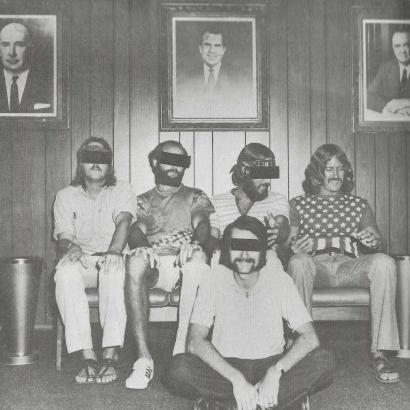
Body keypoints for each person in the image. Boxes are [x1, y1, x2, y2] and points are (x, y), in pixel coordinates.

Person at [166, 216, 335, 410]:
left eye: (252, 246)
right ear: (228, 250)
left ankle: (225, 403)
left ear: (263, 250)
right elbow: (195, 341)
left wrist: (275, 372)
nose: (244, 254)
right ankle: (273, 400)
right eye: (237, 245)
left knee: (325, 360)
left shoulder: (279, 280)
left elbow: (310, 337)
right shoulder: (213, 279)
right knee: (178, 368)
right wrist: (237, 380)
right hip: (226, 369)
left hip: (271, 363)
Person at [287, 143, 400, 384]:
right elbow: (289, 242)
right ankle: (300, 347)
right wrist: (293, 247)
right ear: (317, 173)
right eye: (328, 169)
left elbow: (378, 241)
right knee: (297, 262)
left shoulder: (359, 205)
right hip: (315, 266)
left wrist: (374, 243)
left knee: (385, 263)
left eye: (340, 169)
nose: (335, 175)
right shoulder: (298, 204)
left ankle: (380, 353)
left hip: (350, 266)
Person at [125, 140, 215, 390]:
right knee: (134, 261)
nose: (176, 167)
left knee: (198, 259)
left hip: (184, 262)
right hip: (156, 264)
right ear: (155, 162)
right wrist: (141, 245)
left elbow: (203, 224)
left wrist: (196, 242)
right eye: (169, 160)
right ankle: (144, 360)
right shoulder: (143, 200)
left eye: (181, 162)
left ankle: (181, 352)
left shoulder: (195, 195)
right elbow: (135, 230)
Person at [53, 137, 137, 384]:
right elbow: (63, 238)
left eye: (102, 158)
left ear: (110, 165)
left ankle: (110, 355)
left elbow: (124, 221)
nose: (96, 163)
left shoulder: (122, 189)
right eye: (90, 157)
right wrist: (71, 246)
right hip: (83, 261)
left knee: (113, 271)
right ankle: (87, 356)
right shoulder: (65, 196)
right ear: (80, 164)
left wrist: (114, 250)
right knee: (64, 274)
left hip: (112, 255)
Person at [209, 143, 289, 269]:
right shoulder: (215, 202)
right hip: (226, 268)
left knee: (272, 261)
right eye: (262, 174)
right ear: (244, 171)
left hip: (263, 269)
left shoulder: (277, 199)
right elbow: (211, 240)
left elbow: (282, 225)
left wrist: (278, 231)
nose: (267, 181)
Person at [174, 27, 255, 118]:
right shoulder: (184, 80)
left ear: (223, 50)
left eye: (217, 46)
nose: (212, 51)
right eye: (207, 45)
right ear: (200, 48)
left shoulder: (239, 81)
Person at [0, 21, 53, 113]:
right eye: (5, 45)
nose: (12, 53)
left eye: (19, 45)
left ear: (30, 49)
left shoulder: (49, 83)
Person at [367, 27, 410, 115]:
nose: (402, 51)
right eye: (397, 46)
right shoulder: (385, 68)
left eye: (406, 45)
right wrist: (391, 108)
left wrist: (405, 103)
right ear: (393, 48)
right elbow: (370, 96)